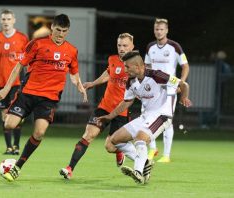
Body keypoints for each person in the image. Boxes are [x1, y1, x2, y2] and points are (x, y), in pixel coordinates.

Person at [0, 14, 88, 182]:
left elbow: (74, 74)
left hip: (48, 99)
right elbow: (19, 66)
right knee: (9, 124)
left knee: (39, 133)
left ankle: (17, 167)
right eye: (58, 30)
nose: (60, 34)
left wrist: (80, 87)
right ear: (52, 27)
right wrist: (6, 88)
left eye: (64, 31)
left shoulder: (72, 51)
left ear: (68, 31)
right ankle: (21, 116)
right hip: (28, 93)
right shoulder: (37, 44)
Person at [97, 51, 192, 184]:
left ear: (138, 66)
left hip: (162, 116)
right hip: (146, 116)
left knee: (141, 138)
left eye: (127, 67)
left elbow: (183, 84)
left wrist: (183, 97)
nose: (125, 70)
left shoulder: (156, 75)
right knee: (114, 140)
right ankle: (144, 162)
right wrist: (109, 116)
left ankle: (138, 172)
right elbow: (127, 101)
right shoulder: (131, 81)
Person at [59, 33, 135, 179]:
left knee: (109, 147)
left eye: (125, 45)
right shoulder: (112, 59)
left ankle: (120, 151)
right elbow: (108, 73)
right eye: (119, 45)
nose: (122, 48)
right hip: (104, 107)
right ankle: (69, 168)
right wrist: (92, 84)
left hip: (121, 112)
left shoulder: (136, 65)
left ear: (132, 46)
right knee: (88, 135)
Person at [144, 18, 190, 163]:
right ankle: (152, 149)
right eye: (157, 29)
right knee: (147, 118)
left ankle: (166, 155)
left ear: (167, 30)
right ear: (154, 30)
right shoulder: (150, 47)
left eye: (161, 29)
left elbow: (185, 66)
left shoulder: (175, 47)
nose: (159, 32)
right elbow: (147, 67)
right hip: (153, 90)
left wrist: (180, 83)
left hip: (169, 89)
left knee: (166, 120)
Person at [0, 9, 29, 155]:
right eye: (3, 19)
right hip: (0, 83)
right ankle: (9, 147)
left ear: (14, 20)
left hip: (16, 83)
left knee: (15, 114)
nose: (6, 22)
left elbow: (29, 59)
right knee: (4, 114)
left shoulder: (22, 38)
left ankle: (16, 146)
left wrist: (29, 76)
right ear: (0, 21)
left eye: (8, 19)